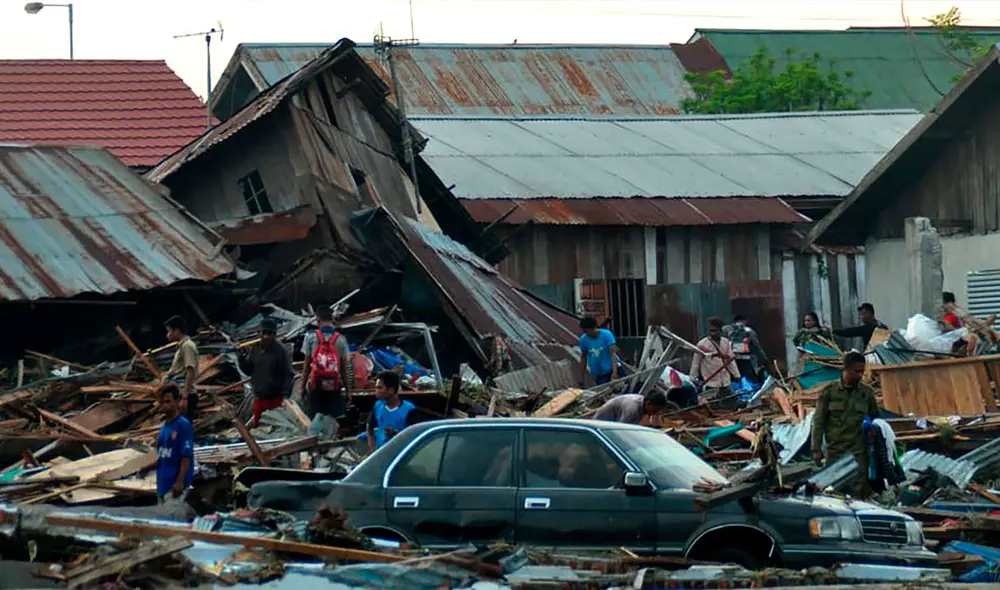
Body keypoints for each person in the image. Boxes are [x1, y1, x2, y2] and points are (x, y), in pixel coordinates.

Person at [812, 351, 879, 498]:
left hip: (858, 451)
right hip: (835, 450)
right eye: (857, 371)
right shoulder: (829, 392)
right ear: (846, 369)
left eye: (862, 371)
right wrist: (816, 448)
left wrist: (874, 431)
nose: (861, 375)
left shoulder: (866, 393)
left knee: (860, 491)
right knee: (833, 490)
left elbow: (875, 418)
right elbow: (818, 421)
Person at [300, 305, 351, 438]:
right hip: (334, 387)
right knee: (332, 420)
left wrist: (302, 387)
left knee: (315, 420)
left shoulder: (310, 337)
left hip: (315, 386)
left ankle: (315, 445)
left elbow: (306, 367)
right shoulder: (341, 339)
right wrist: (349, 390)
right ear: (332, 319)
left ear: (318, 319)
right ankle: (330, 443)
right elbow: (344, 368)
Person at [238, 318, 293, 428]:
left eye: (269, 333)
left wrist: (285, 396)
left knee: (275, 428)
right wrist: (241, 358)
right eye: (264, 333)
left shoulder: (280, 351)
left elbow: (288, 374)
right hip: (259, 398)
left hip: (275, 399)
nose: (266, 336)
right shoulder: (255, 348)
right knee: (258, 427)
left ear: (274, 335)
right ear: (260, 333)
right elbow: (249, 371)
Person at [154, 384, 195, 504]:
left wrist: (180, 481)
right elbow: (163, 456)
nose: (164, 405)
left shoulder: (183, 425)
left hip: (175, 487)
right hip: (162, 485)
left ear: (177, 401)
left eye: (168, 401)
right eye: (161, 402)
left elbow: (186, 456)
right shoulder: (164, 428)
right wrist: (146, 468)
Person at [365, 371, 418, 453]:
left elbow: (414, 435)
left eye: (379, 388)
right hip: (380, 452)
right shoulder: (378, 406)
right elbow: (369, 426)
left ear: (391, 390)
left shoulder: (409, 409)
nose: (376, 391)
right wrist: (372, 447)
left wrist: (396, 433)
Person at [691, 317, 741, 402]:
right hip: (711, 382)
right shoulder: (702, 344)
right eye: (710, 331)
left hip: (725, 381)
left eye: (715, 331)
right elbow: (696, 363)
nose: (712, 333)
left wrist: (737, 375)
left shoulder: (725, 343)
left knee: (730, 403)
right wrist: (693, 379)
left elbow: (730, 361)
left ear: (720, 331)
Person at [164, 316, 199, 421]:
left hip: (185, 394)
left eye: (169, 331)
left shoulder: (187, 346)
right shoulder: (182, 346)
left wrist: (184, 397)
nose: (168, 334)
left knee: (183, 426)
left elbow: (190, 371)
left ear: (177, 331)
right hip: (180, 392)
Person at [578, 317, 623, 386]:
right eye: (584, 332)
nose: (586, 334)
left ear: (594, 327)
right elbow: (583, 358)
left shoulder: (607, 335)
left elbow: (613, 354)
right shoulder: (583, 340)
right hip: (599, 374)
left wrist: (614, 372)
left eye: (587, 331)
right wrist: (581, 377)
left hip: (612, 368)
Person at [722, 315, 768, 382]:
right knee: (751, 379)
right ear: (744, 321)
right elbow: (757, 347)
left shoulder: (726, 330)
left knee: (734, 378)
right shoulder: (749, 331)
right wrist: (764, 360)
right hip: (746, 360)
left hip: (732, 360)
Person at [593, 391, 668, 424]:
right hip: (602, 422)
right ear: (648, 403)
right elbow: (620, 429)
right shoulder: (633, 408)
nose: (655, 413)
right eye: (655, 410)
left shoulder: (642, 405)